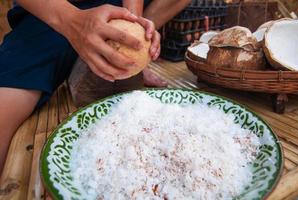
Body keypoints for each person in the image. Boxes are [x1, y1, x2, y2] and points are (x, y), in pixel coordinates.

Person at [0, 0, 191, 175]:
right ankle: (80, 54)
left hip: (116, 6)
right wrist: (72, 21)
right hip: (49, 12)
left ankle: (111, 53)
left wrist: (132, 29)